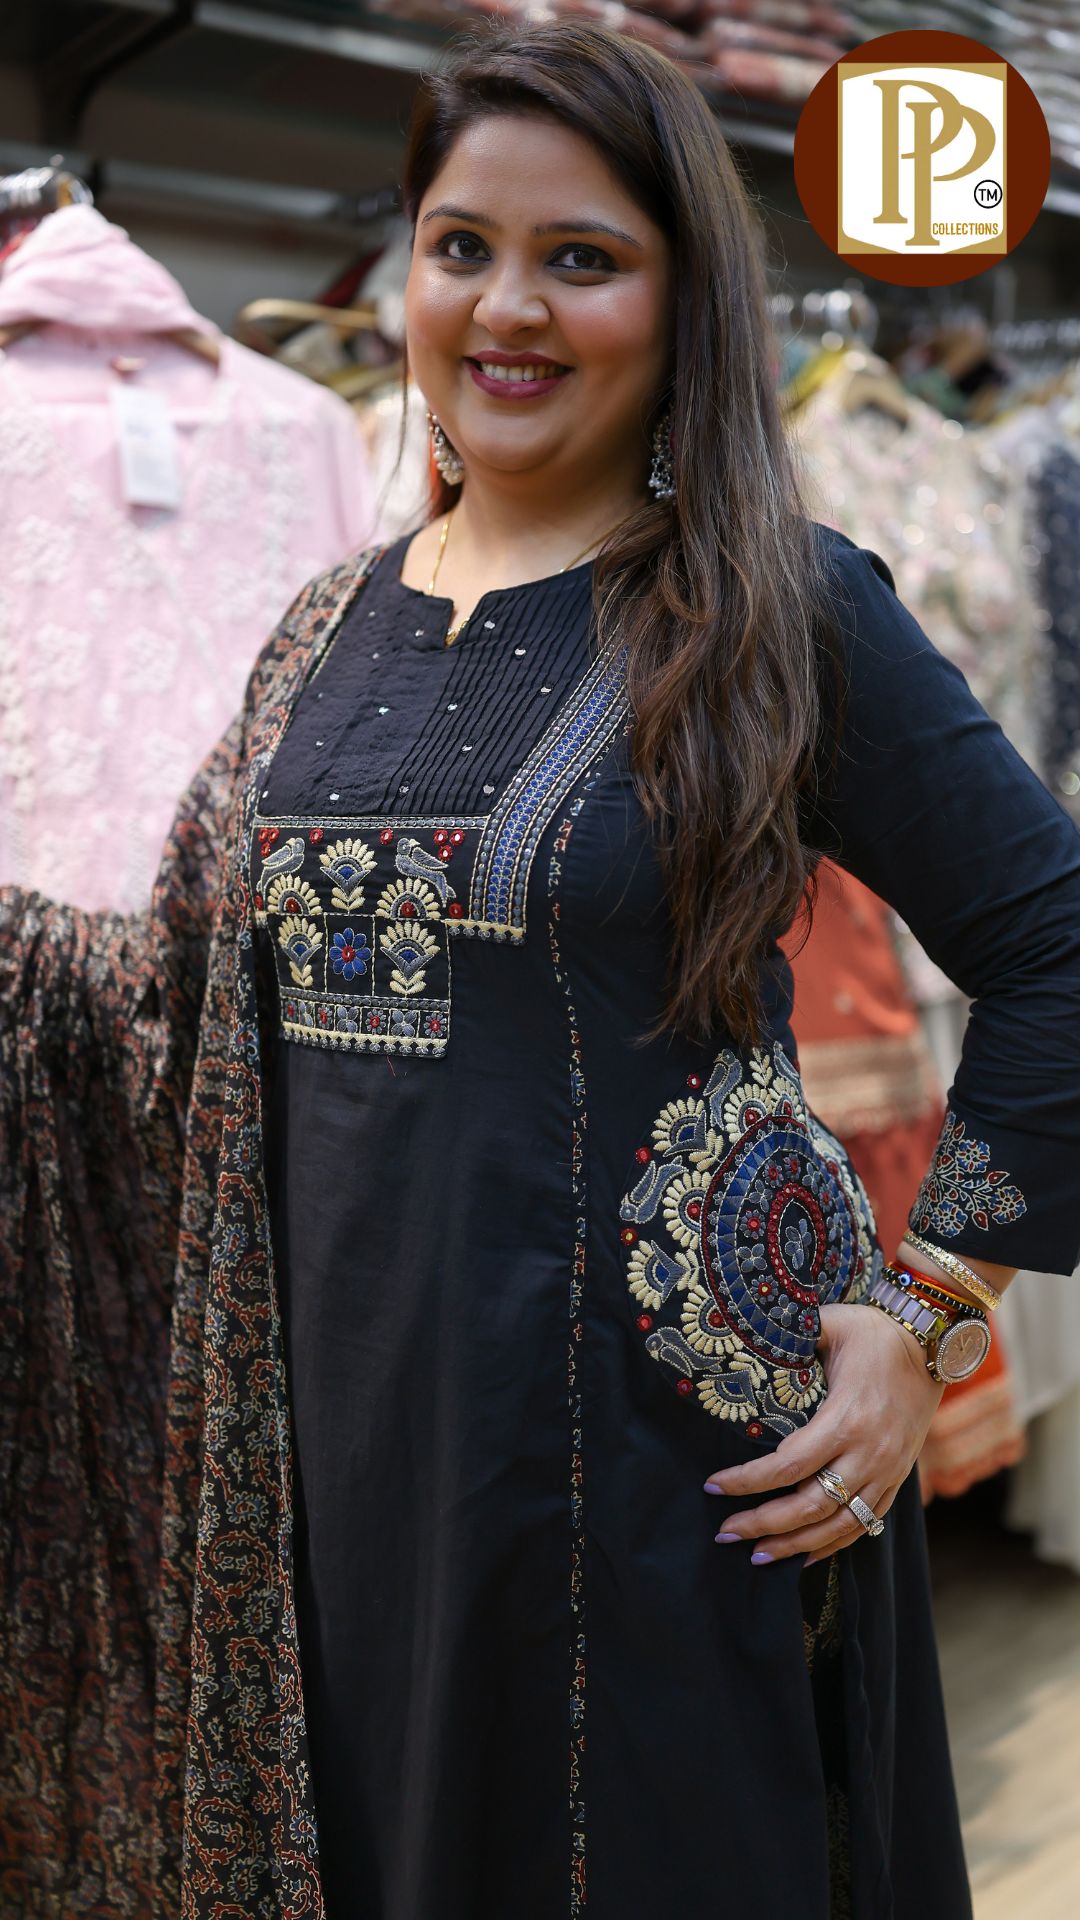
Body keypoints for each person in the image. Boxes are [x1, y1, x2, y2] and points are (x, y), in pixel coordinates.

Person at [3, 20, 1079, 1920]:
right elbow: (170, 1003)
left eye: (581, 257)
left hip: (673, 1487)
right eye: (461, 247)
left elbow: (1057, 941)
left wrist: (929, 1317)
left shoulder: (775, 604)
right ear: (406, 275)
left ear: (683, 303)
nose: (508, 308)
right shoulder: (320, 630)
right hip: (345, 1467)